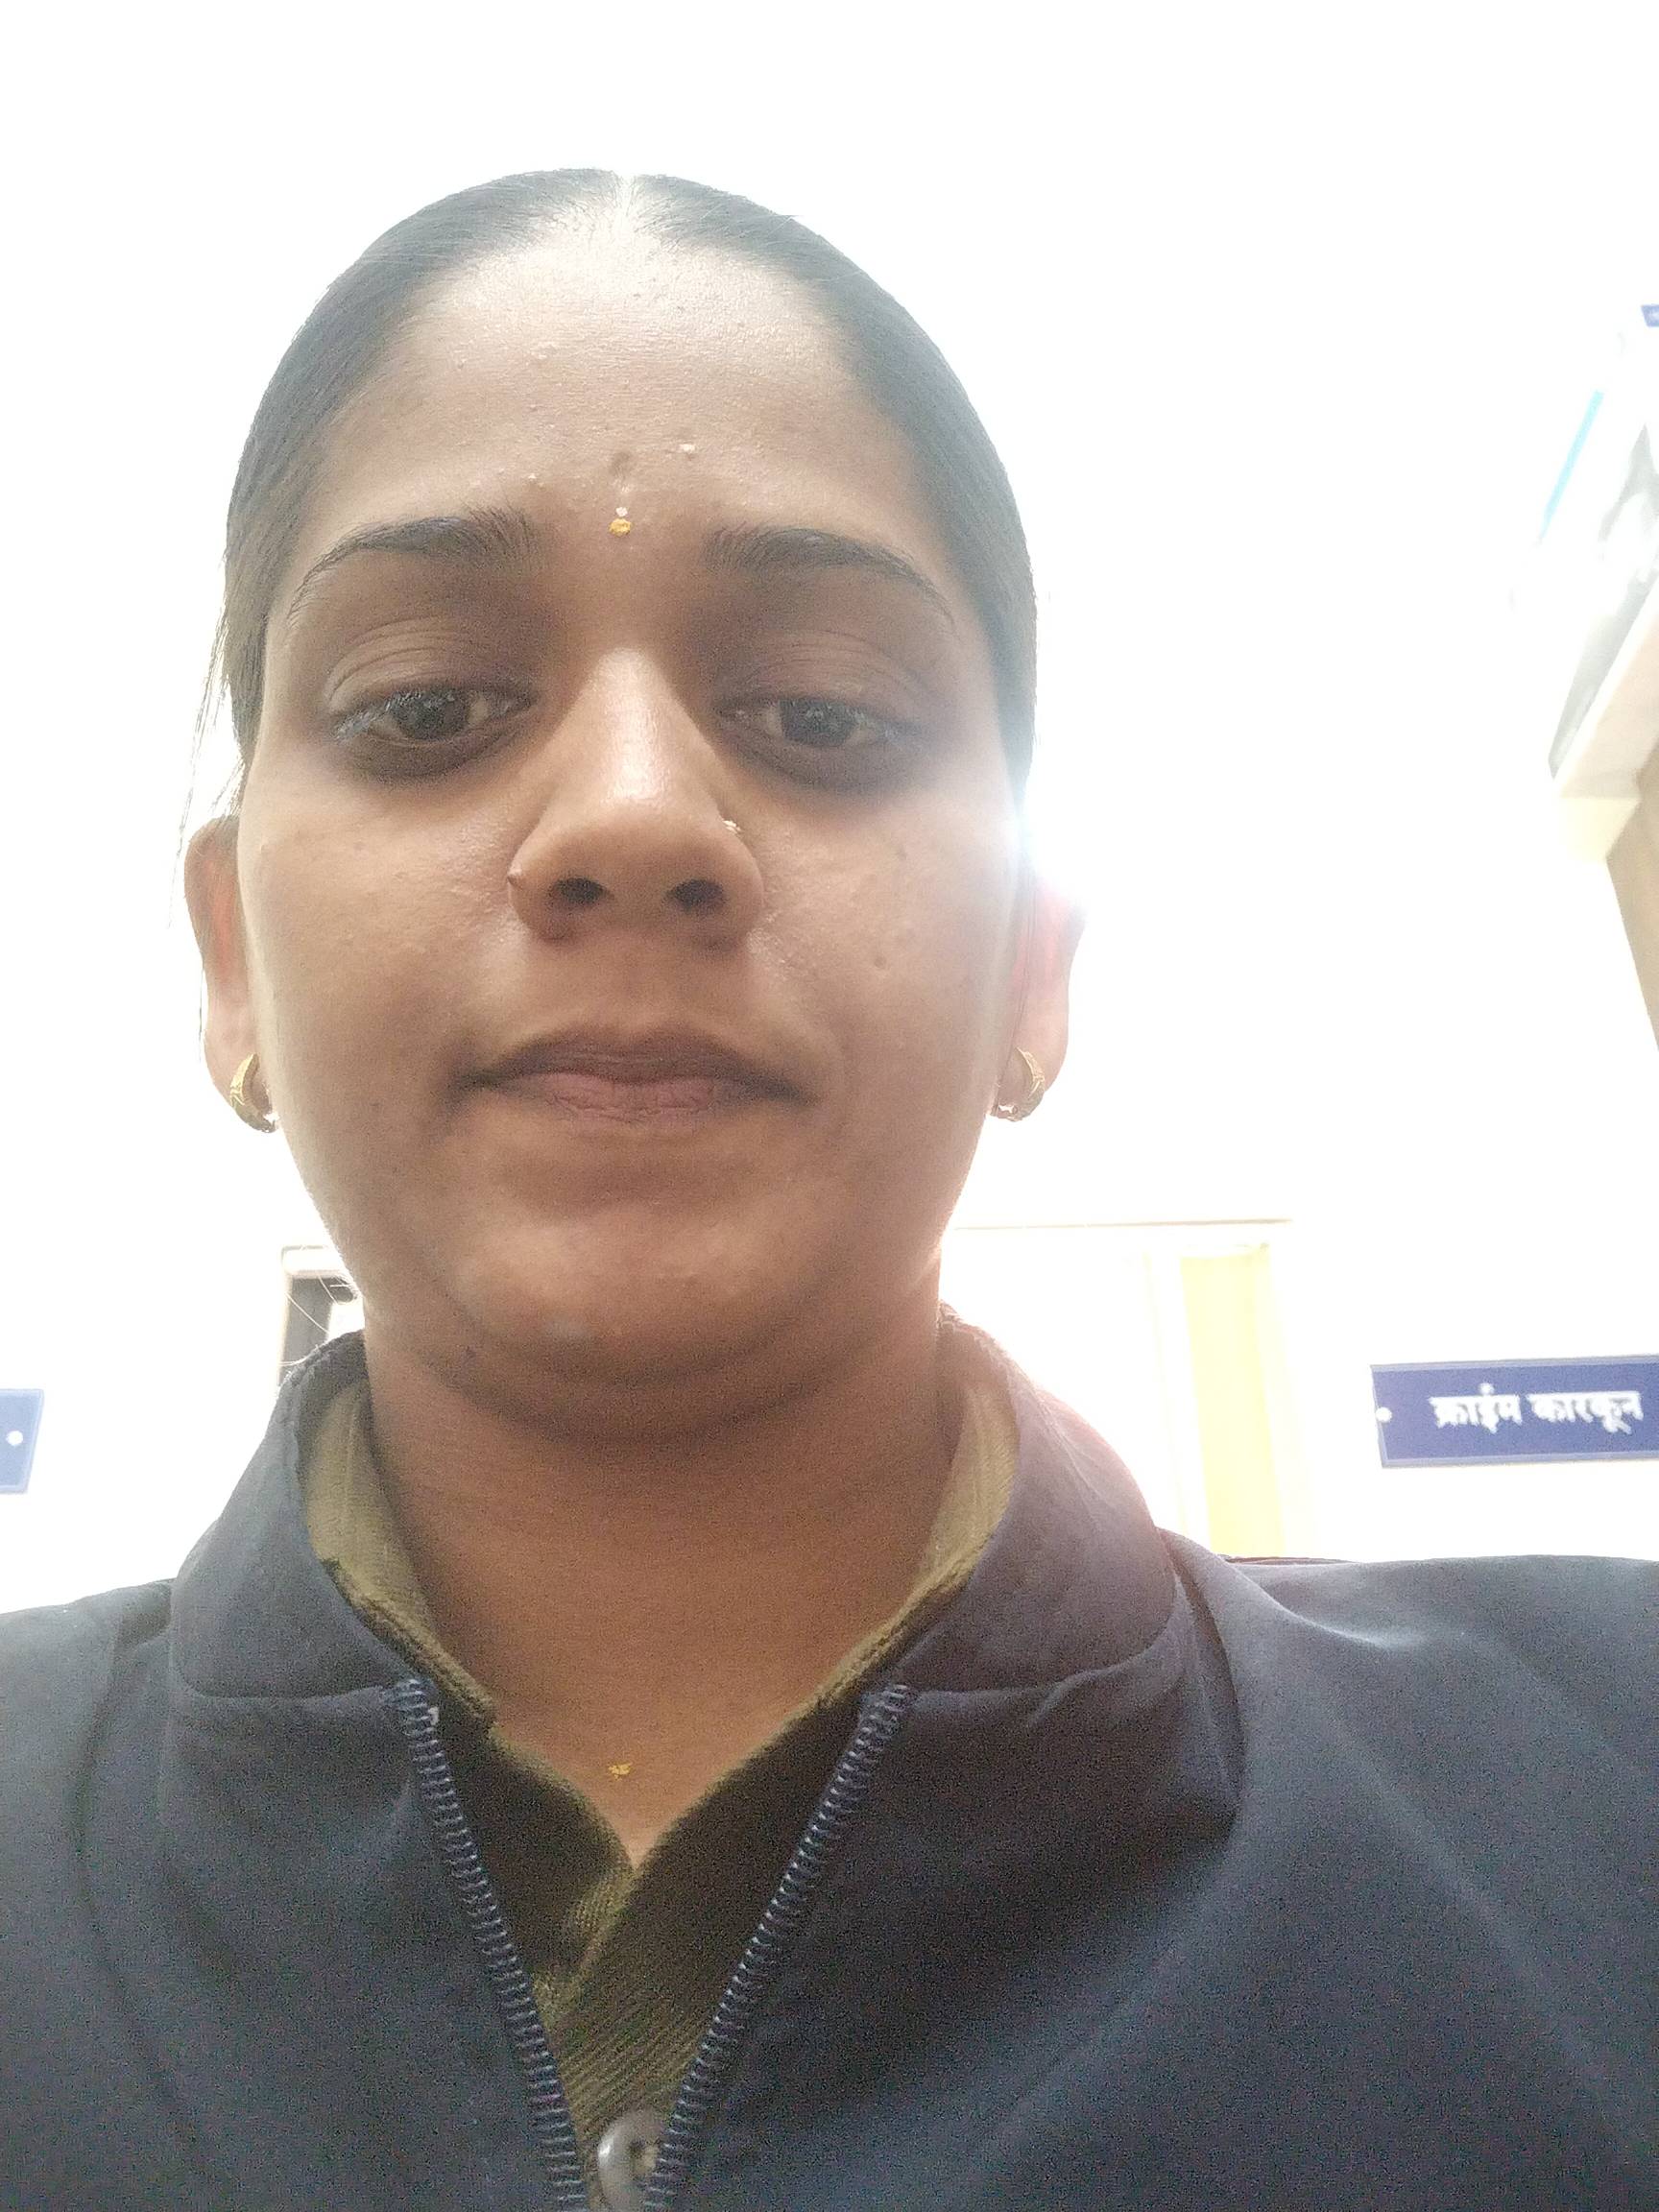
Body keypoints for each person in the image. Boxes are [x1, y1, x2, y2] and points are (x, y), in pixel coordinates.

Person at [1, 169, 1653, 2212]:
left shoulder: (1613, 1803)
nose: (632, 817)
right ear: (231, 962)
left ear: (1032, 967)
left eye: (821, 715)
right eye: (427, 706)